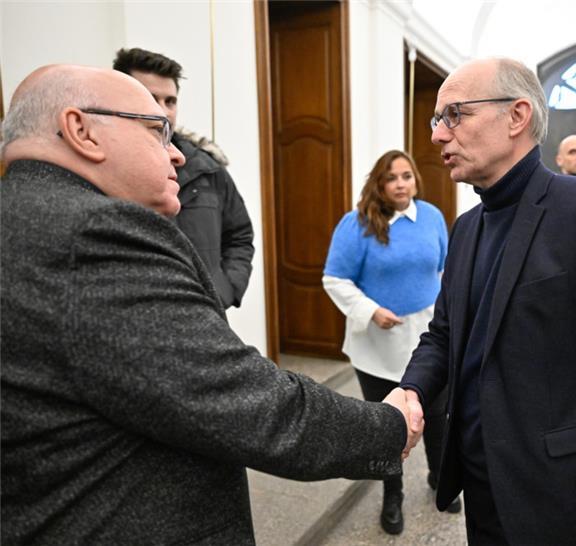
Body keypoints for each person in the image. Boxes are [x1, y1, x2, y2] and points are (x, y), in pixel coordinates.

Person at [0, 65, 421, 545]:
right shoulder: (96, 234)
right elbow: (244, 403)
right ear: (82, 130)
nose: (177, 153)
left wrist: (218, 291)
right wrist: (387, 428)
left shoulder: (22, 214)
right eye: (156, 131)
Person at [399, 57, 576, 545]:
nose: (437, 135)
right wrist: (411, 389)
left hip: (566, 497)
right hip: (485, 489)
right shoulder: (466, 228)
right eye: (436, 119)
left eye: (454, 115)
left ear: (517, 116)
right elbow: (445, 335)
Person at [323, 150, 457, 535]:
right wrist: (371, 310)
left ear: (415, 179)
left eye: (407, 176)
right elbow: (335, 279)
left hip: (428, 339)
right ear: (379, 184)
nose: (401, 184)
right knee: (387, 424)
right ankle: (392, 494)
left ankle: (439, 476)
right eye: (392, 178)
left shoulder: (431, 217)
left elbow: (443, 270)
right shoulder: (357, 223)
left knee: (437, 415)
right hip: (377, 346)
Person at [113, 47, 254, 309]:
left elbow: (239, 235)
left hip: (206, 315)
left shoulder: (207, 168)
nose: (163, 111)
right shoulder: (103, 168)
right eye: (151, 98)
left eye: (170, 101)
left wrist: (225, 290)